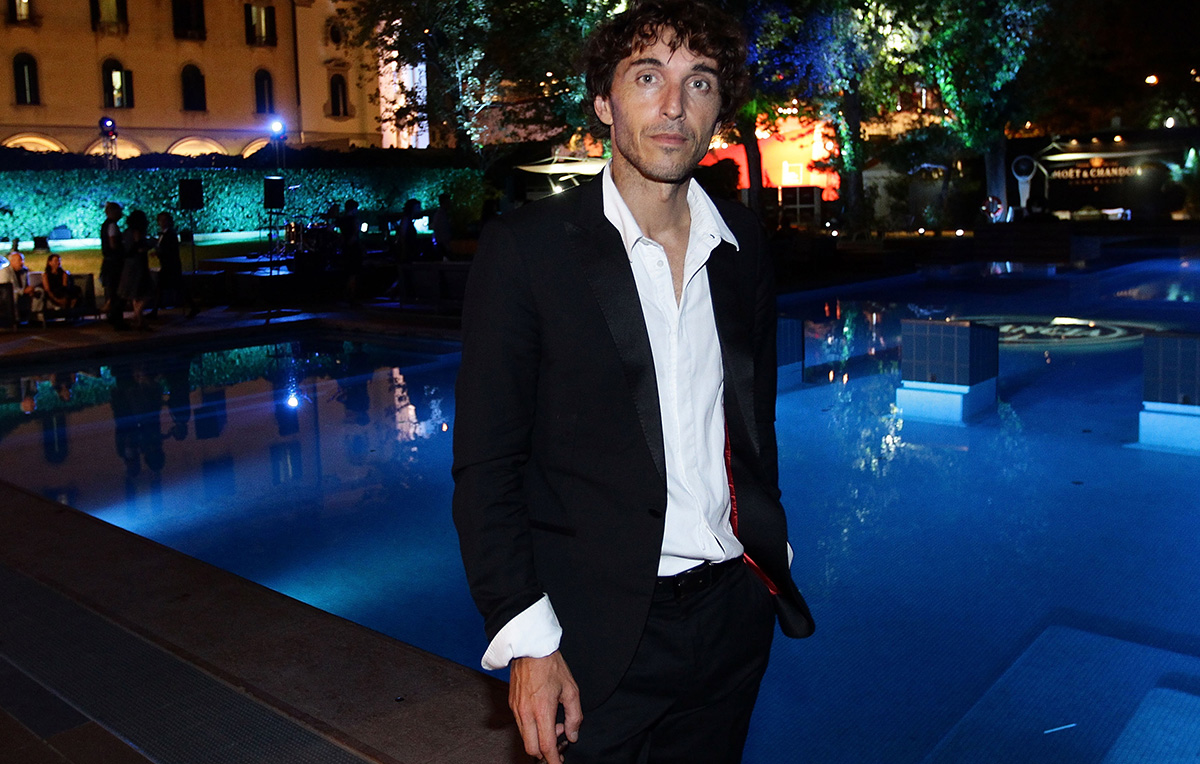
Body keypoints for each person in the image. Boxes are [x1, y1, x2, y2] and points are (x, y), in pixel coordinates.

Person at [451, 2, 815, 763]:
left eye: (700, 82)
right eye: (648, 77)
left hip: (732, 617)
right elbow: (487, 465)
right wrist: (529, 640)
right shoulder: (528, 250)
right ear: (604, 102)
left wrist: (767, 550)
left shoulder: (743, 245)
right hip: (592, 637)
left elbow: (751, 423)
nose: (674, 105)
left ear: (719, 108)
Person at [152, 212, 198, 318]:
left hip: (170, 266)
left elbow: (169, 250)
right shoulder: (165, 234)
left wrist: (158, 253)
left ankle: (155, 310)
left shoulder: (170, 234)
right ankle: (193, 307)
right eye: (161, 220)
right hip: (168, 265)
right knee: (171, 287)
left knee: (169, 287)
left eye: (165, 220)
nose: (163, 222)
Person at [118, 209, 153, 330]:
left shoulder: (127, 232)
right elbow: (137, 247)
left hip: (129, 264)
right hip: (138, 265)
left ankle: (140, 321)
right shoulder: (137, 232)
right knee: (144, 292)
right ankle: (138, 316)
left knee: (135, 294)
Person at [100, 201, 129, 329]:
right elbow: (113, 244)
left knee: (112, 292)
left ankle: (113, 317)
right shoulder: (112, 225)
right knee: (118, 292)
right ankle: (118, 320)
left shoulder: (105, 225)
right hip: (114, 263)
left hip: (108, 262)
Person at [0, 250, 40, 324]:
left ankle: (35, 318)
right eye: (19, 260)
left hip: (23, 293)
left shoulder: (24, 271)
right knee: (13, 296)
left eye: (22, 260)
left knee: (38, 292)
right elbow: (5, 290)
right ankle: (15, 320)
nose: (22, 262)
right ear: (12, 261)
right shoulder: (4, 272)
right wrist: (23, 291)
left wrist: (31, 289)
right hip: (11, 295)